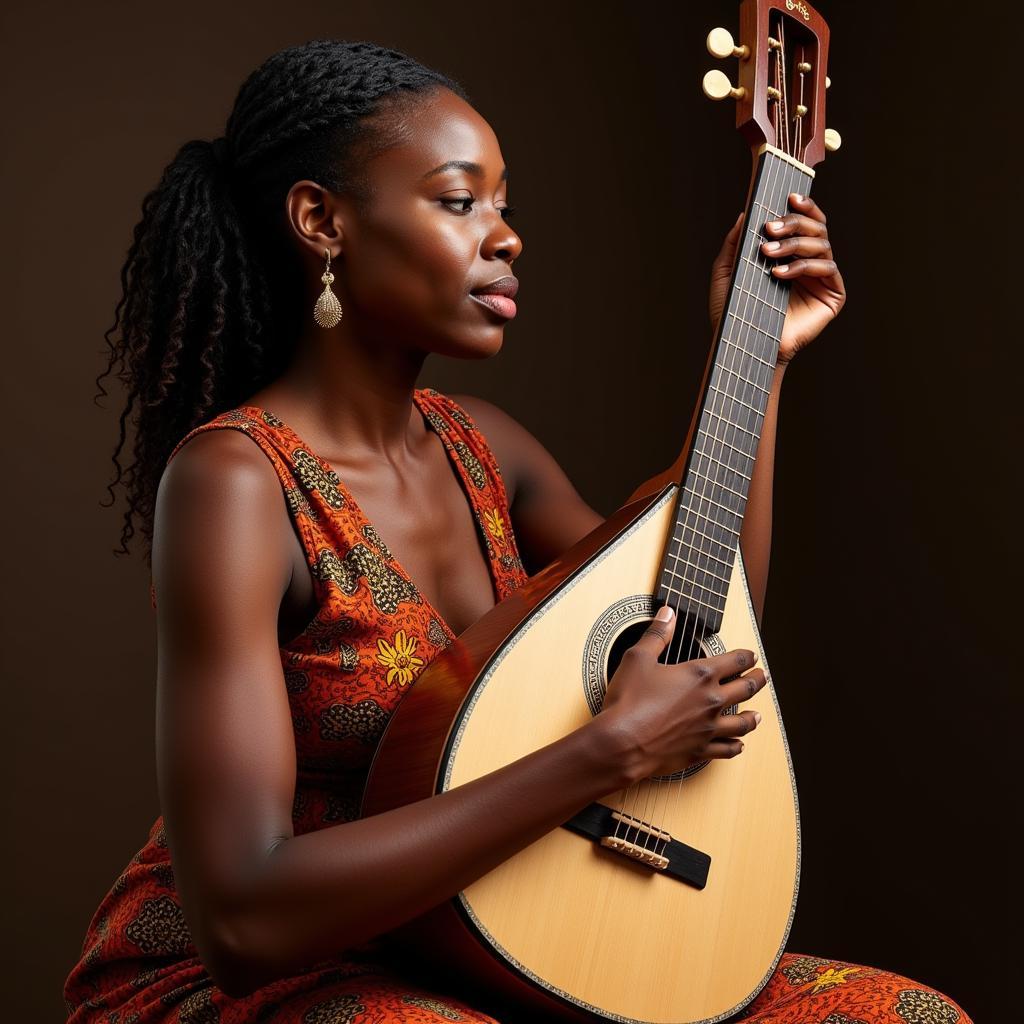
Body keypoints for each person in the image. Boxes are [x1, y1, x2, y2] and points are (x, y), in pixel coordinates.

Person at [64, 38, 971, 1024]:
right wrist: (601, 752)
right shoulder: (238, 481)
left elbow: (705, 617)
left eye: (504, 205)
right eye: (459, 203)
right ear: (322, 220)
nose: (505, 237)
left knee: (911, 1015)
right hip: (285, 975)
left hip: (502, 940)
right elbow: (244, 917)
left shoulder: (487, 450)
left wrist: (758, 356)